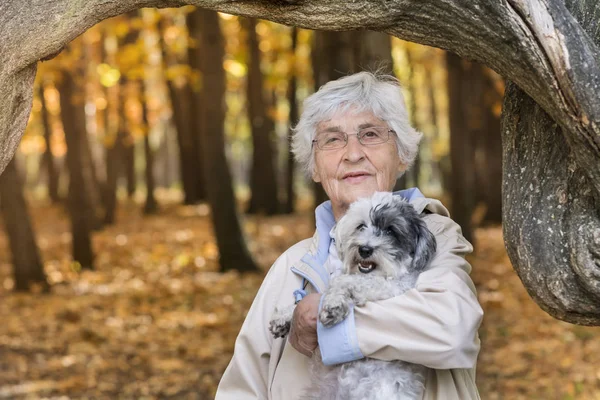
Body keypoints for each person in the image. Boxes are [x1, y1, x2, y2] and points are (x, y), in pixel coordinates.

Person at [215, 72, 484, 400]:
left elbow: (453, 329)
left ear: (401, 155)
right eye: (332, 139)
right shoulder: (291, 265)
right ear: (314, 166)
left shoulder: (436, 238)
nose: (352, 153)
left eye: (370, 134)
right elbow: (241, 388)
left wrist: (329, 324)